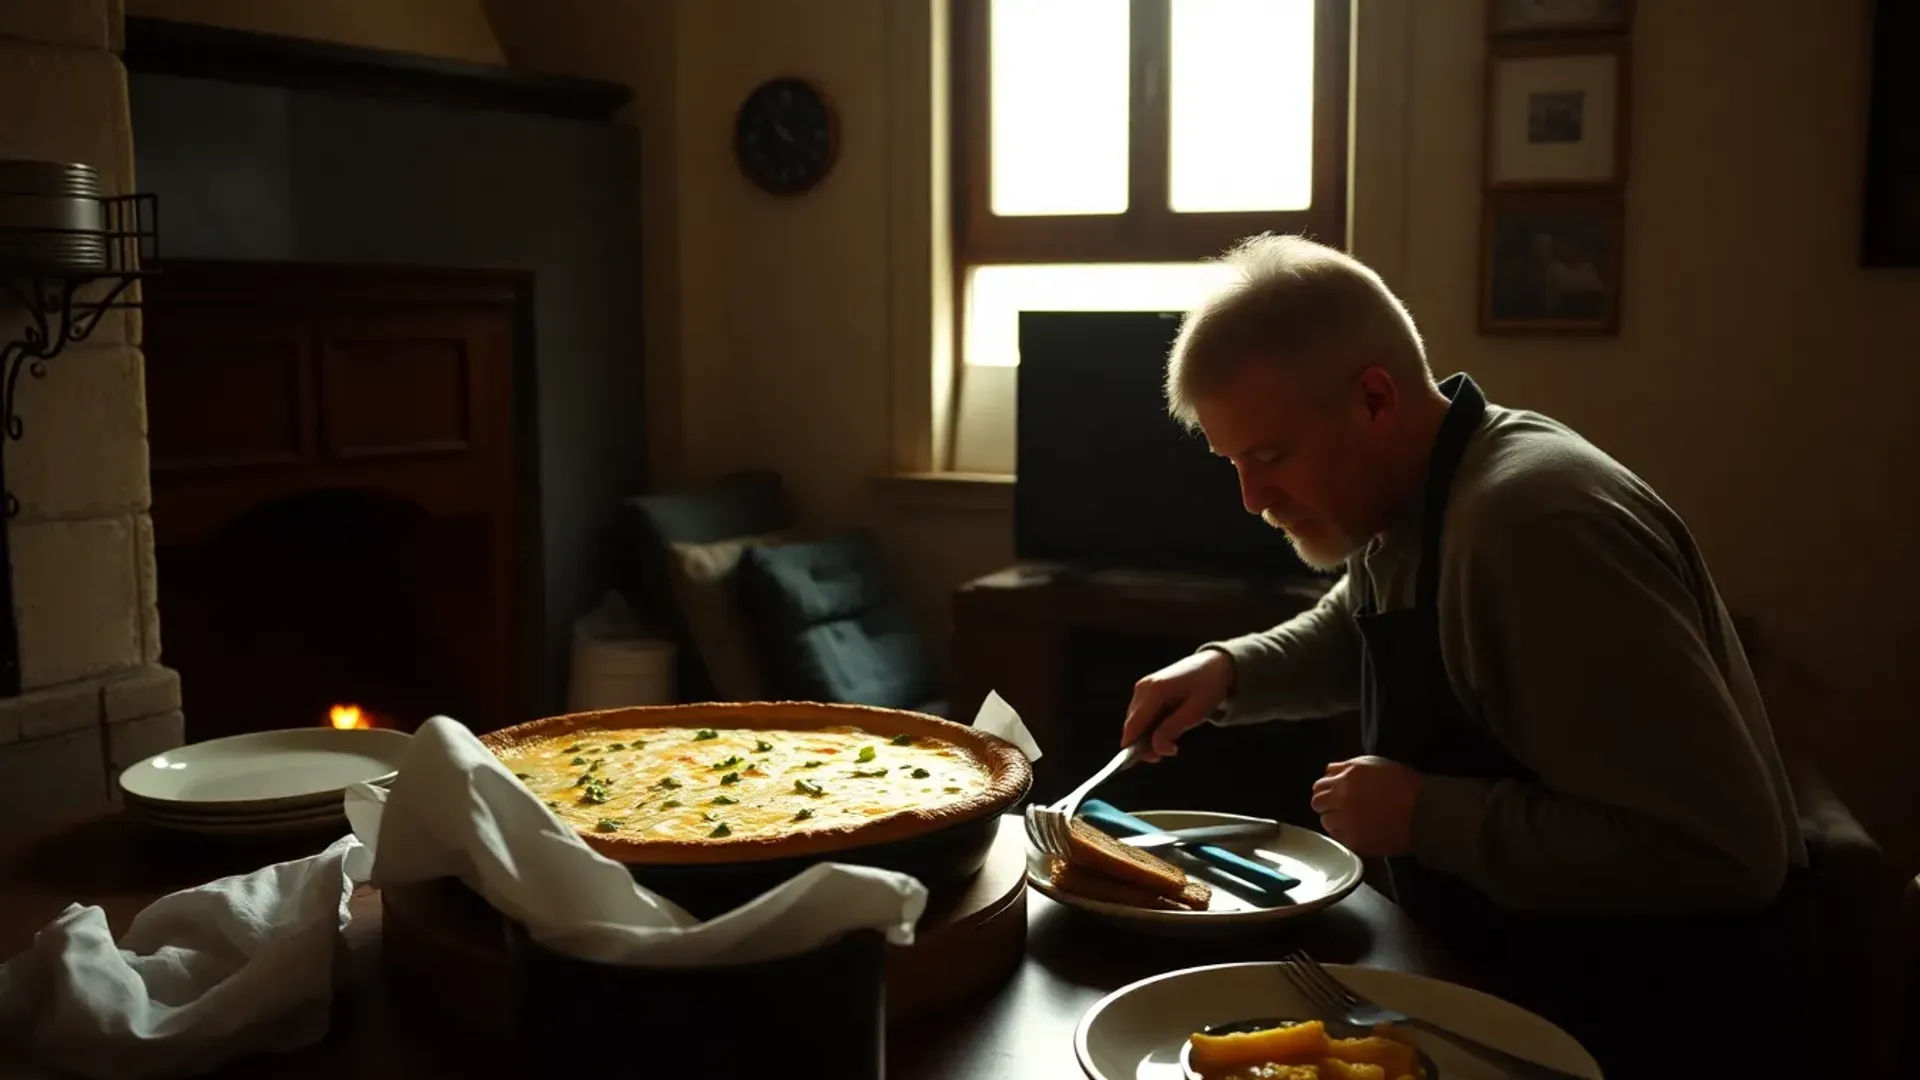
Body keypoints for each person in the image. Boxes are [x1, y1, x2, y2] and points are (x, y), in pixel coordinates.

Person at [1118, 233, 1815, 1076]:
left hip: (1649, 1025)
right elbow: (1362, 624)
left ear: (1374, 399)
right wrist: (1229, 669)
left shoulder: (1533, 526)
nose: (1252, 499)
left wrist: (1424, 817)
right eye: (1233, 463)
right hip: (1506, 991)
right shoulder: (1408, 497)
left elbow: (1724, 855)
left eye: (1269, 457)